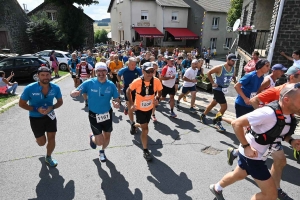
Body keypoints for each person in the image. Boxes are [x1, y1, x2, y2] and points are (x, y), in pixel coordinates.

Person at [210, 83, 300, 200]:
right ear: (287, 100)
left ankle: (216, 188)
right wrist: (246, 146)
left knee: (239, 174)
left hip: (259, 155)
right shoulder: (268, 113)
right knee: (270, 195)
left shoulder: (288, 115)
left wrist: (291, 141)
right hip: (252, 157)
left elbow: (278, 133)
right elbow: (236, 123)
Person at [70, 62, 120, 162]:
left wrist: (116, 103)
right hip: (94, 115)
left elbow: (116, 98)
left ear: (106, 71)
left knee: (107, 136)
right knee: (99, 142)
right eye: (98, 71)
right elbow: (74, 91)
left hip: (107, 114)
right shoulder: (89, 83)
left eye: (103, 70)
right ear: (95, 72)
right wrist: (73, 93)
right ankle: (92, 136)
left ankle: (102, 152)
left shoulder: (111, 85)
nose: (101, 73)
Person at [19, 67, 63, 167]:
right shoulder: (29, 88)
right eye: (42, 75)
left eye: (47, 75)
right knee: (42, 142)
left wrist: (52, 107)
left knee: (52, 137)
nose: (45, 77)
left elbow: (60, 102)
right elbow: (21, 104)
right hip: (35, 117)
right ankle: (39, 139)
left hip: (50, 116)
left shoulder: (55, 88)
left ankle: (48, 157)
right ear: (38, 76)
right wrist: (36, 109)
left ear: (50, 75)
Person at [126, 62, 163, 161]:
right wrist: (131, 103)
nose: (150, 74)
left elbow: (160, 91)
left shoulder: (156, 81)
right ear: (143, 71)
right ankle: (145, 150)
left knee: (143, 125)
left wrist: (157, 98)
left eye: (152, 71)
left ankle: (134, 125)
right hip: (139, 109)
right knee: (145, 129)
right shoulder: (137, 81)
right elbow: (128, 90)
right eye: (148, 71)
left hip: (149, 108)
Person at [200, 54, 237, 132]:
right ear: (228, 59)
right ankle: (217, 121)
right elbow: (209, 73)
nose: (234, 62)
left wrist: (235, 80)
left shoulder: (233, 68)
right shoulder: (220, 68)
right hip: (217, 89)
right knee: (224, 107)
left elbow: (233, 75)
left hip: (223, 89)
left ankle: (203, 115)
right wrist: (212, 83)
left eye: (235, 61)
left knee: (213, 103)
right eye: (232, 60)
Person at [117, 57, 142, 127]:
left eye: (135, 64)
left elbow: (142, 77)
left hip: (137, 90)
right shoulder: (124, 70)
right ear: (128, 64)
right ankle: (132, 123)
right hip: (127, 90)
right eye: (132, 64)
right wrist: (121, 83)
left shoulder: (138, 69)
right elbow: (118, 75)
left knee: (136, 105)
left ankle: (127, 107)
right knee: (131, 106)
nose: (133, 66)